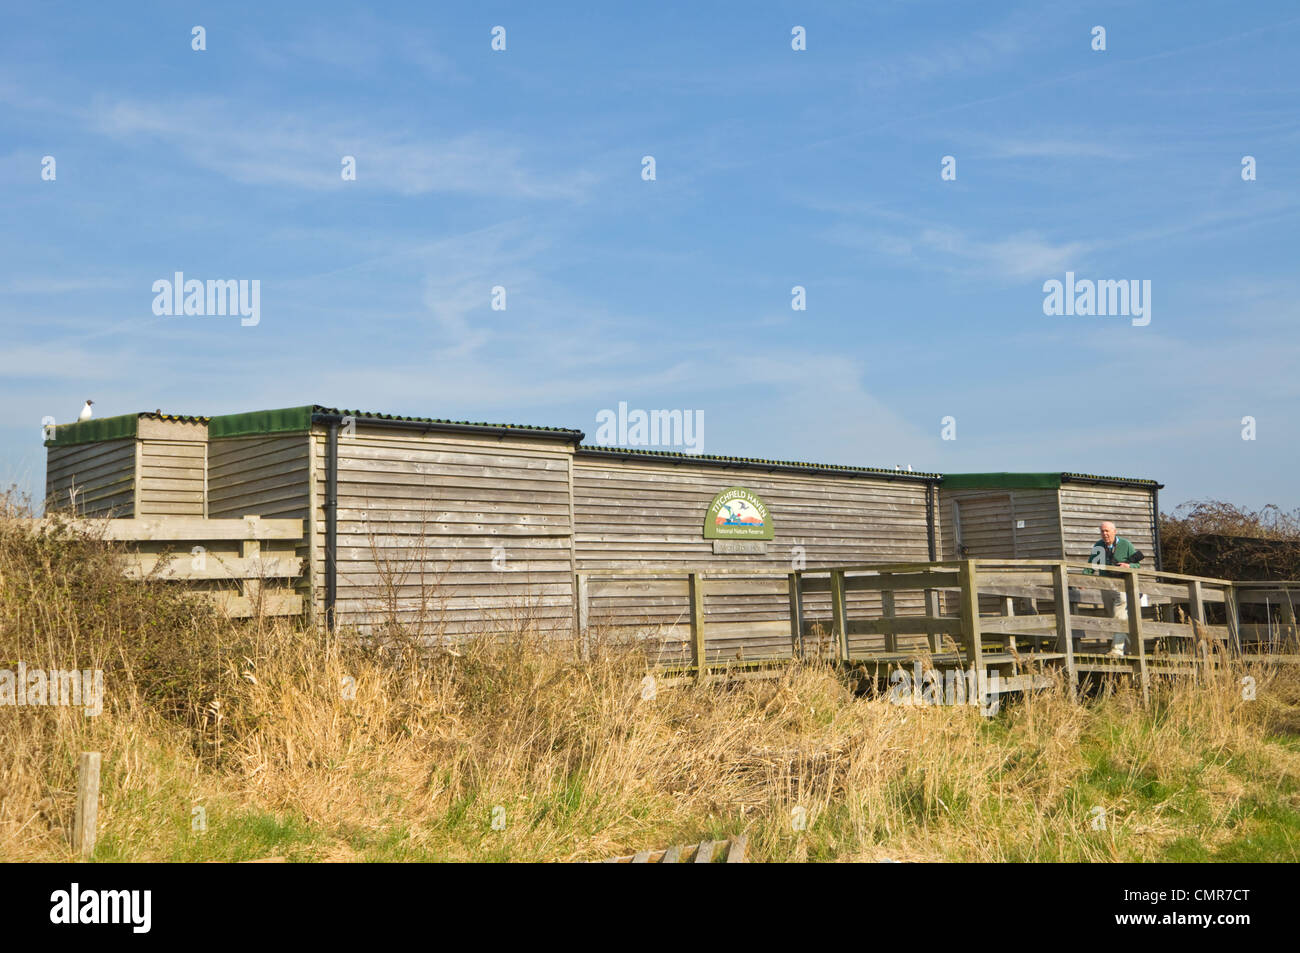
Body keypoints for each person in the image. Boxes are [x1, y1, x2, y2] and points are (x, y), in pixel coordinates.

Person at [1087, 521, 1143, 657]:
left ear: (1114, 531)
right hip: (1106, 585)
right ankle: (1131, 648)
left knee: (1119, 612)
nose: (1105, 534)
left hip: (1123, 585)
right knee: (1115, 617)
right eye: (1102, 531)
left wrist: (1128, 567)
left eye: (1107, 531)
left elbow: (1137, 566)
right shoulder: (1099, 546)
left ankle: (1117, 650)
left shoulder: (1125, 544)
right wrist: (1085, 578)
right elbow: (1093, 565)